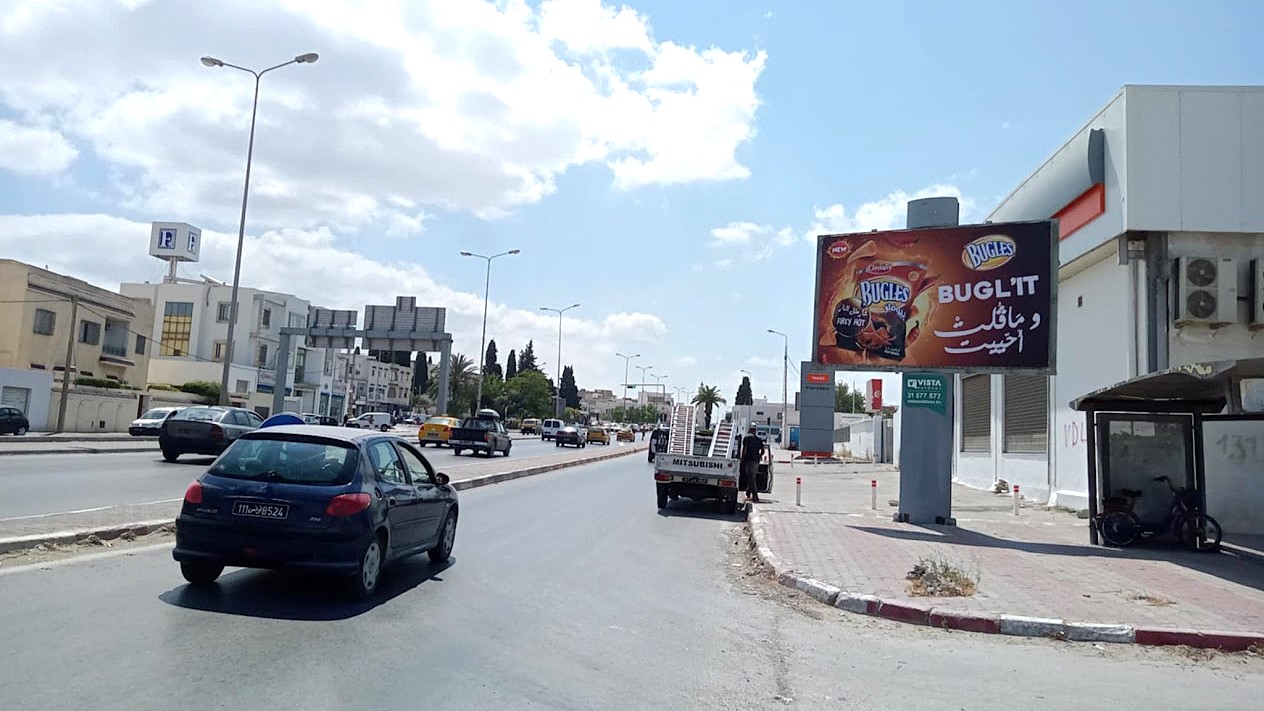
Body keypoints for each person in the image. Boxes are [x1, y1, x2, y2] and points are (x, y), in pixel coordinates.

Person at [739, 424, 765, 503]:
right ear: (755, 431)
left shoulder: (746, 438)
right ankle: (748, 492)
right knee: (752, 476)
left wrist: (742, 458)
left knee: (751, 478)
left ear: (749, 430)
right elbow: (763, 450)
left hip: (749, 460)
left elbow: (745, 449)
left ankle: (755, 496)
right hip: (756, 461)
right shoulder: (758, 439)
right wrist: (759, 455)